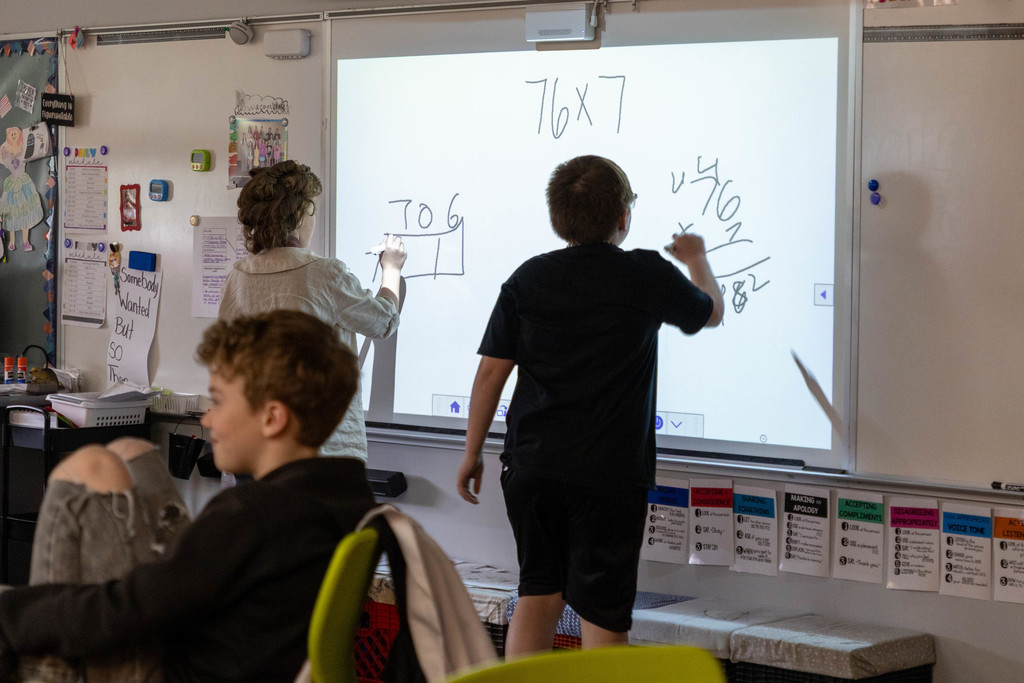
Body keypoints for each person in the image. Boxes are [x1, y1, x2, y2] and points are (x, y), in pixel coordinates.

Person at [0, 310, 378, 682]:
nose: (208, 419)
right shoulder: (349, 499)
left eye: (219, 401)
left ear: (272, 418)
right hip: (235, 647)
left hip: (170, 663)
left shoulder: (253, 515)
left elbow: (125, 610)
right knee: (132, 450)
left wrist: (9, 612)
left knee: (85, 469)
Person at [455, 155, 724, 656]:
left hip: (532, 465)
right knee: (604, 611)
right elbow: (710, 313)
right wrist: (696, 259)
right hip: (609, 473)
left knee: (537, 592)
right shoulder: (645, 273)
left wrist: (472, 452)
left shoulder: (528, 278)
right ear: (623, 216)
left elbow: (492, 370)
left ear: (557, 219)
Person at [219, 159, 406, 462]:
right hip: (319, 451)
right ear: (301, 214)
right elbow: (383, 321)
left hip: (255, 444)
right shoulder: (323, 274)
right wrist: (392, 270)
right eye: (313, 210)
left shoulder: (237, 275)